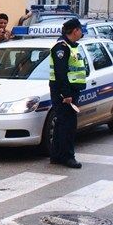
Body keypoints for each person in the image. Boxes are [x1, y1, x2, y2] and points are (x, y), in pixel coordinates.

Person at [49, 18, 87, 169]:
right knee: (68, 125)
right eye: (80, 30)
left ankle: (57, 155)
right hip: (65, 92)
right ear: (75, 30)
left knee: (61, 124)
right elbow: (60, 73)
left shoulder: (71, 46)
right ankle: (67, 157)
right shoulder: (62, 47)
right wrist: (66, 94)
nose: (82, 33)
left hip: (70, 90)